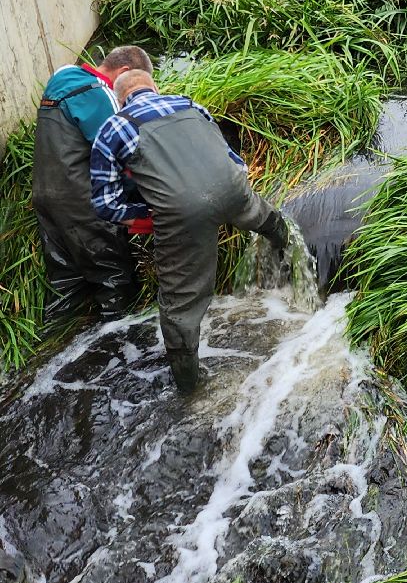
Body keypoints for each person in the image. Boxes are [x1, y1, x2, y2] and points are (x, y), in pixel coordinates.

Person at [90, 70, 289, 394]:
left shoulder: (113, 127)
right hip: (234, 190)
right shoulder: (190, 105)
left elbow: (105, 204)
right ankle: (288, 248)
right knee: (265, 218)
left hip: (182, 212)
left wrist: (152, 213)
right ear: (154, 89)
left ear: (120, 99)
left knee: (179, 304)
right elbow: (234, 162)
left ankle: (188, 388)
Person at [31, 45, 153, 329]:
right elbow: (121, 153)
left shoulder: (63, 77)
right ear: (125, 73)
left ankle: (53, 347)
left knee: (66, 282)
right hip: (84, 201)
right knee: (114, 280)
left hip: (47, 197)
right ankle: (120, 351)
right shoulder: (100, 93)